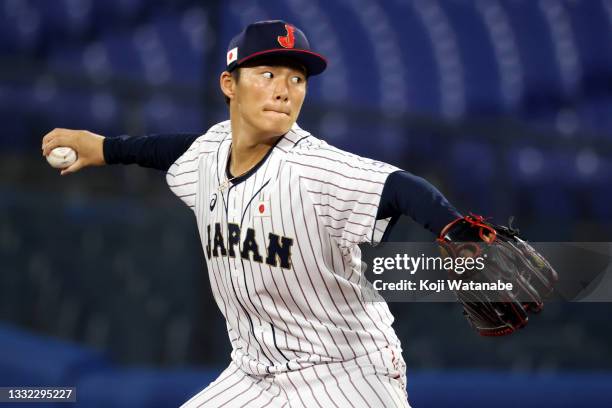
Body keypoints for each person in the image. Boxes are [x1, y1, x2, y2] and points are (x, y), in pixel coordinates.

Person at [42, 20, 463, 407]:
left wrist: (452, 227)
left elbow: (402, 187)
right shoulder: (209, 152)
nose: (284, 90)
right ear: (230, 83)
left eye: (296, 79)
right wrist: (106, 149)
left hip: (345, 374)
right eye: (268, 75)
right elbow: (170, 150)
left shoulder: (315, 168)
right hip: (253, 373)